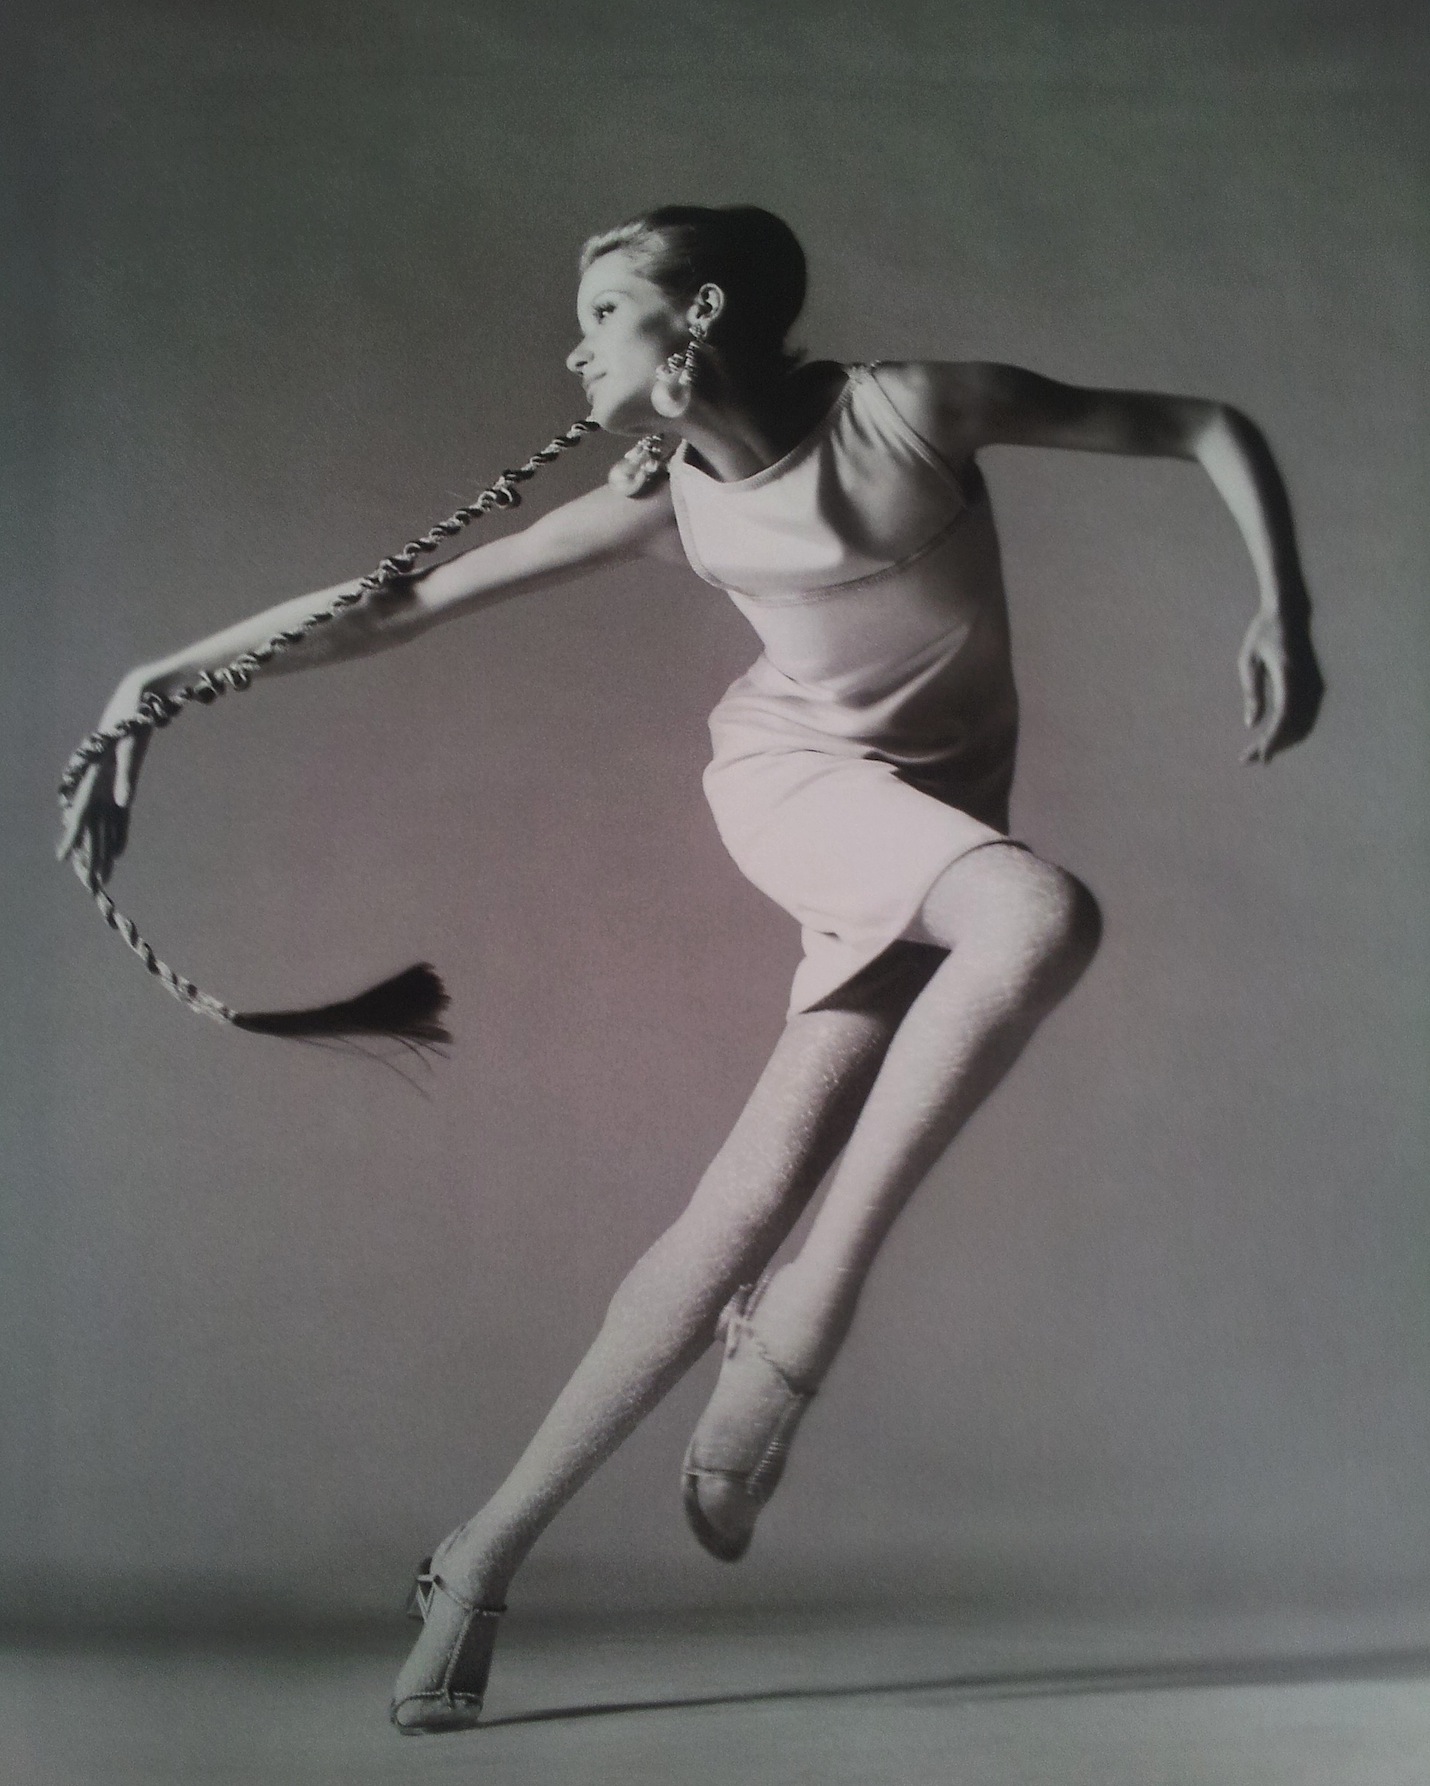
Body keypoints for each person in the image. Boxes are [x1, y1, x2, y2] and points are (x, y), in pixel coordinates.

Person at [58, 205, 1323, 1734]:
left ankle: (474, 1557)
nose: (574, 346)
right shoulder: (669, 504)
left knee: (737, 1199)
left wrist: (1283, 608)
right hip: (800, 784)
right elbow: (399, 604)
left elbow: (1200, 424)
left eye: (605, 307)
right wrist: (150, 684)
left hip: (935, 811)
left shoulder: (913, 408)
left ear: (701, 310)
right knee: (1037, 920)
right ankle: (802, 1325)